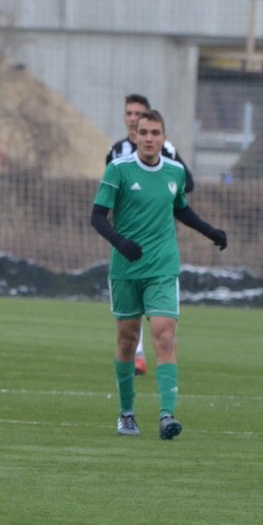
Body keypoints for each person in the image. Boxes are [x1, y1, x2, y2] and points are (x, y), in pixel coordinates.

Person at [92, 110, 227, 439]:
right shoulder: (119, 170)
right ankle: (127, 414)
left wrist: (210, 231)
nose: (149, 138)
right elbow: (97, 217)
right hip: (125, 270)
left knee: (165, 337)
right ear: (134, 137)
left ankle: (167, 416)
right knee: (126, 340)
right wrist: (120, 243)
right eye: (144, 132)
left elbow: (180, 208)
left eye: (155, 132)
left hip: (163, 268)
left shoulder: (175, 172)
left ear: (164, 138)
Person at [105, 93, 195, 376]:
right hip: (127, 242)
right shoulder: (117, 152)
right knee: (129, 318)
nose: (133, 119)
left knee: (161, 323)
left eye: (138, 114)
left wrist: (162, 199)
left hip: (158, 244)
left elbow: (185, 183)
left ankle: (155, 351)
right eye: (129, 114)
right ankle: (138, 354)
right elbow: (109, 191)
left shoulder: (165, 149)